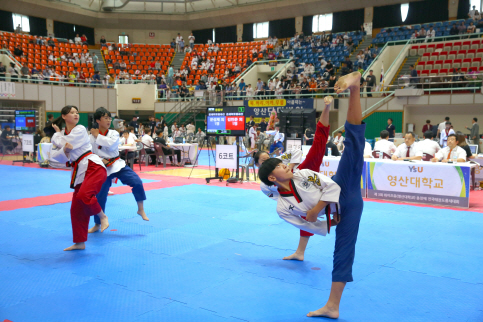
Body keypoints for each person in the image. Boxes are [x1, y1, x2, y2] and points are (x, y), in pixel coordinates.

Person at [259, 72, 366, 319]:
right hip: (342, 214)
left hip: (345, 188)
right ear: (273, 179)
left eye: (283, 163)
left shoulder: (304, 173)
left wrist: (317, 211)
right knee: (342, 253)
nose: (286, 165)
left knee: (354, 145)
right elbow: (310, 226)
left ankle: (355, 88)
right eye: (279, 166)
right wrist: (323, 222)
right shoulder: (283, 208)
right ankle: (332, 306)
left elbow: (332, 189)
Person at [254, 96, 333, 260]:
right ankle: (300, 252)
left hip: (303, 172)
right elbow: (283, 200)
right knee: (305, 216)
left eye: (268, 157)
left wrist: (290, 167)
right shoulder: (265, 186)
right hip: (294, 194)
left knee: (319, 143)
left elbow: (297, 152)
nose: (268, 161)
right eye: (263, 161)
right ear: (258, 166)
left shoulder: (281, 161)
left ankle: (326, 109)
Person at [49, 106, 109, 251]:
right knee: (76, 209)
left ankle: (102, 216)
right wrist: (61, 141)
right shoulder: (63, 134)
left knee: (84, 195)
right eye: (72, 112)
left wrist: (58, 139)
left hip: (93, 166)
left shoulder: (80, 129)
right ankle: (80, 242)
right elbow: (54, 155)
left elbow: (67, 144)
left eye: (77, 112)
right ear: (64, 116)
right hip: (79, 170)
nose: (76, 115)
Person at [87, 108, 148, 233]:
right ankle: (97, 223)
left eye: (110, 118)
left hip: (116, 164)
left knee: (137, 182)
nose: (109, 120)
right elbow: (89, 152)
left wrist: (97, 135)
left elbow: (111, 145)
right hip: (101, 167)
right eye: (105, 118)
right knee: (100, 195)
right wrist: (98, 158)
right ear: (98, 120)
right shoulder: (90, 137)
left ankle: (140, 209)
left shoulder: (113, 133)